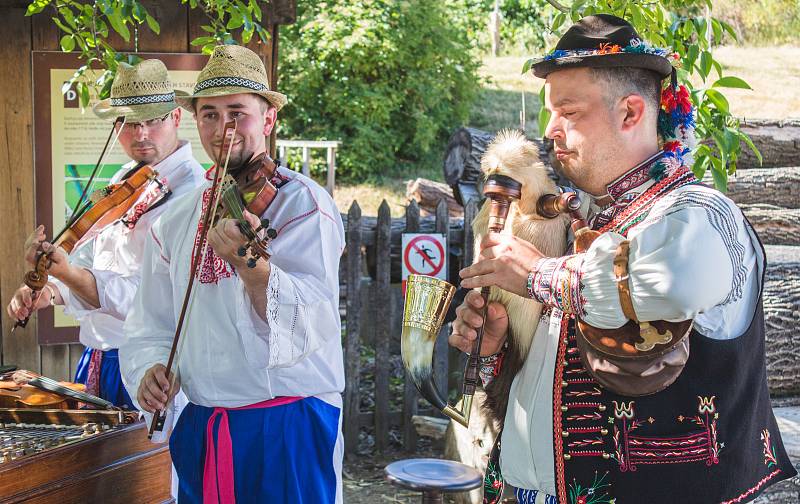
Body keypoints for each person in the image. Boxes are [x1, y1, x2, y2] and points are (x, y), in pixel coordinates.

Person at [452, 15, 796, 504]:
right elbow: (558, 378)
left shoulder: (698, 211)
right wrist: (497, 349)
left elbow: (668, 283)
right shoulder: (586, 221)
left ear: (631, 112)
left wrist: (535, 274)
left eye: (568, 111)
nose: (550, 130)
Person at [119, 45, 345, 504]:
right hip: (204, 422)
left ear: (268, 120)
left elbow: (309, 323)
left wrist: (252, 266)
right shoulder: (176, 217)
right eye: (209, 113)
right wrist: (149, 369)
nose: (223, 127)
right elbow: (150, 323)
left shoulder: (302, 202)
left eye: (237, 112)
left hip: (286, 424)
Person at [6, 59, 205, 408]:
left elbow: (152, 301)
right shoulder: (125, 178)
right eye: (128, 122)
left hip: (151, 371)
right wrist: (52, 290)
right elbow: (91, 254)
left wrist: (68, 274)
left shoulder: (194, 194)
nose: (140, 134)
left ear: (175, 117)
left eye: (153, 120)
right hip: (97, 358)